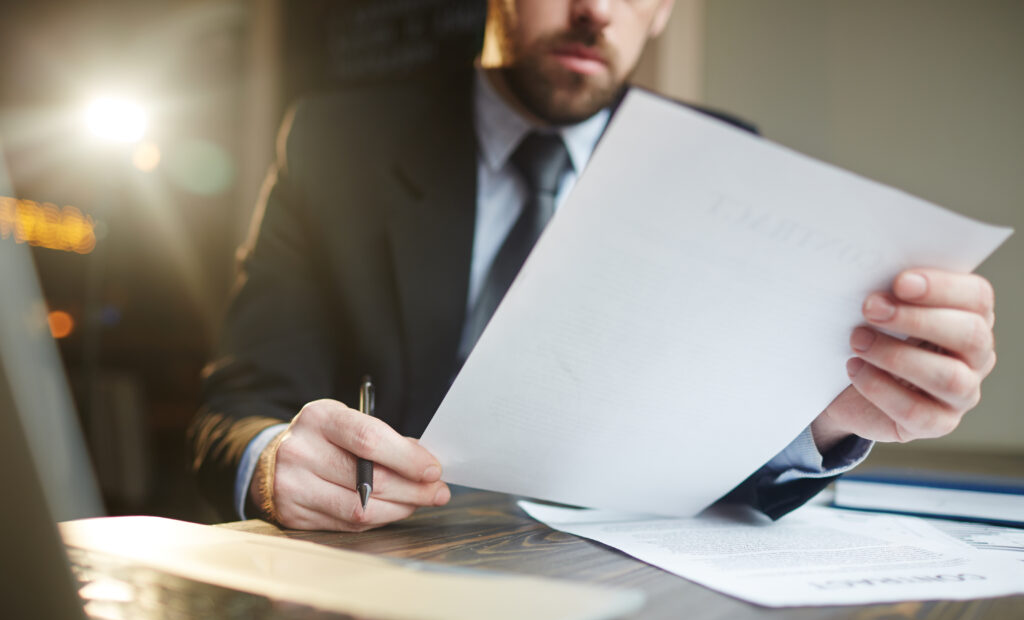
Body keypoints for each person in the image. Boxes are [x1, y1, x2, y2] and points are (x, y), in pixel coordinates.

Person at [189, 0, 997, 531]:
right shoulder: (335, 142)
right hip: (383, 574)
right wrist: (270, 463)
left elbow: (717, 443)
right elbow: (236, 405)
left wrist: (835, 414)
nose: (596, 11)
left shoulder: (723, 162)